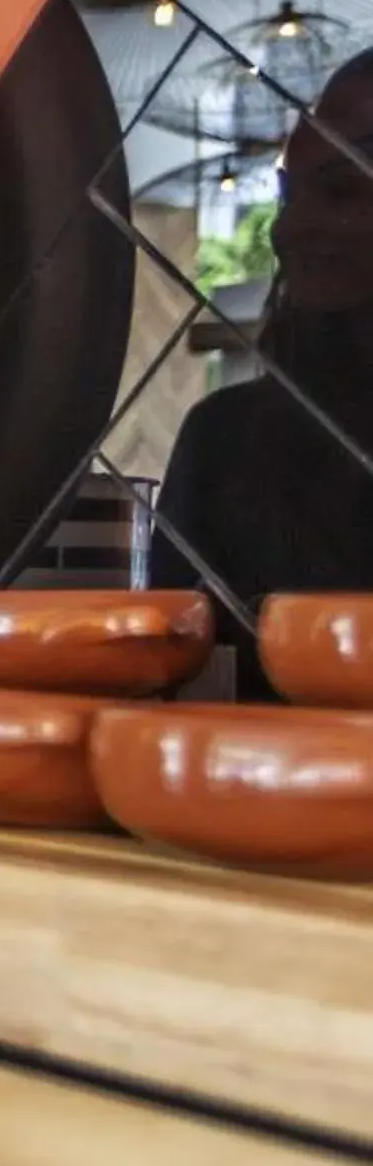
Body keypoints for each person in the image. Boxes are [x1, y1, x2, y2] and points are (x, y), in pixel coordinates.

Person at [156, 44, 373, 686]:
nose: (288, 229)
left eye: (340, 189)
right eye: (288, 193)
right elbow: (175, 676)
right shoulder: (223, 441)